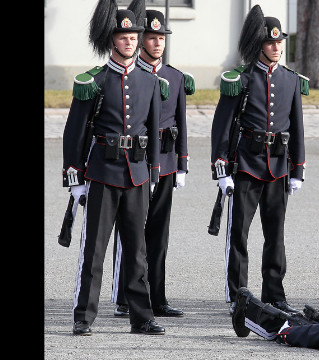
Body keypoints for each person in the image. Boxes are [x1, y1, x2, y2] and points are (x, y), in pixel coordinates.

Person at [62, 0, 164, 335]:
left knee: (137, 251)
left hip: (135, 175)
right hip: (102, 174)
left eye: (134, 36)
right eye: (123, 36)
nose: (131, 41)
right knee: (94, 249)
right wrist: (74, 177)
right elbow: (74, 132)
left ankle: (141, 316)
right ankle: (84, 315)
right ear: (112, 41)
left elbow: (152, 131)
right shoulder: (95, 81)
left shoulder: (151, 83)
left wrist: (152, 172)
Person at [210, 5, 307, 316]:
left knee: (275, 235)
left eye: (280, 42)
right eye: (270, 43)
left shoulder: (291, 80)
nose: (276, 47)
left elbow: (297, 125)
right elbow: (222, 126)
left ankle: (275, 294)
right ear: (259, 45)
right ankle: (238, 294)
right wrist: (221, 168)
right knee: (239, 233)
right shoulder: (241, 78)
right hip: (246, 165)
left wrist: (298, 169)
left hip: (279, 165)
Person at [111, 3, 195, 319]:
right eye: (151, 36)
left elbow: (182, 123)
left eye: (161, 37)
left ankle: (156, 297)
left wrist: (183, 163)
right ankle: (123, 297)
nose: (158, 42)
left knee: (159, 233)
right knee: (132, 231)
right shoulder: (132, 75)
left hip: (168, 162)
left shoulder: (175, 77)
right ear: (141, 39)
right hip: (137, 161)